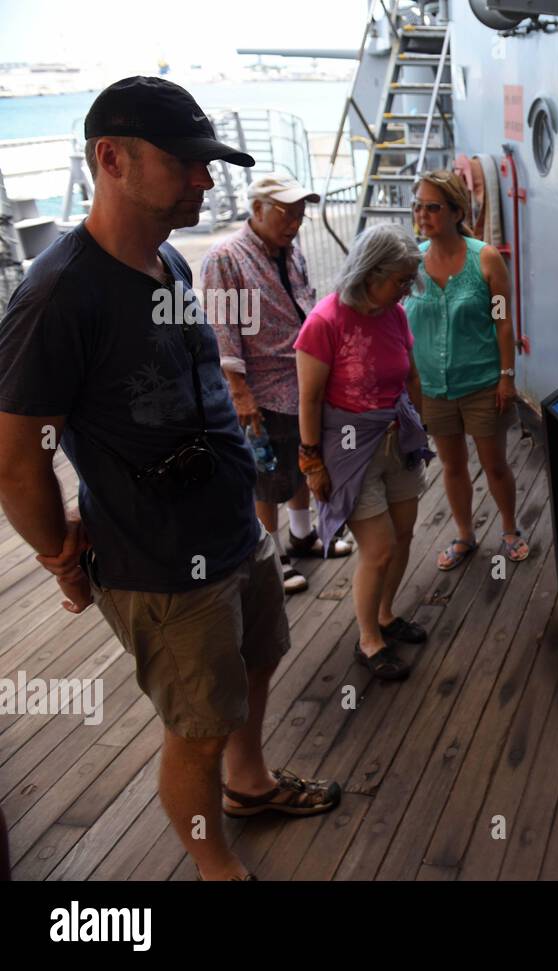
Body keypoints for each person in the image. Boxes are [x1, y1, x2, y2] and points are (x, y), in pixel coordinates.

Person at [0, 77, 341, 882]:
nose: (204, 179)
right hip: (158, 558)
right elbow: (16, 459)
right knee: (196, 726)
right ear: (110, 158)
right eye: (187, 161)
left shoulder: (169, 266)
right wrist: (60, 554)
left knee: (255, 663)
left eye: (207, 163)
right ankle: (213, 860)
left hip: (229, 528)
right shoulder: (56, 298)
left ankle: (249, 784)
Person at [200, 173, 354, 594]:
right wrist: (239, 393)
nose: (295, 223)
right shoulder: (225, 257)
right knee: (266, 476)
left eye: (301, 215)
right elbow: (222, 329)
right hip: (262, 388)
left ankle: (302, 535)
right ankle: (273, 557)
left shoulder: (291, 250)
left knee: (301, 462)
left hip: (302, 379)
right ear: (257, 210)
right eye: (286, 214)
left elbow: (305, 300)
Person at [295, 223, 432, 682]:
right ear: (370, 273)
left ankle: (388, 614)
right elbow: (309, 399)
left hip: (398, 439)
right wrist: (311, 461)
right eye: (401, 280)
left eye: (411, 280)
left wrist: (420, 423)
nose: (407, 289)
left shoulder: (394, 313)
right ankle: (368, 639)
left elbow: (410, 374)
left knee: (406, 533)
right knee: (378, 549)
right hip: (349, 450)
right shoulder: (325, 322)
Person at [404, 170, 528, 570]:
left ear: (457, 211)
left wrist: (507, 376)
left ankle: (509, 529)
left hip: (482, 384)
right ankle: (464, 535)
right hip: (434, 387)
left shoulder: (485, 259)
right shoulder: (411, 263)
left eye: (433, 207)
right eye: (418, 205)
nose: (423, 214)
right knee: (452, 466)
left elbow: (503, 321)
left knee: (494, 464)